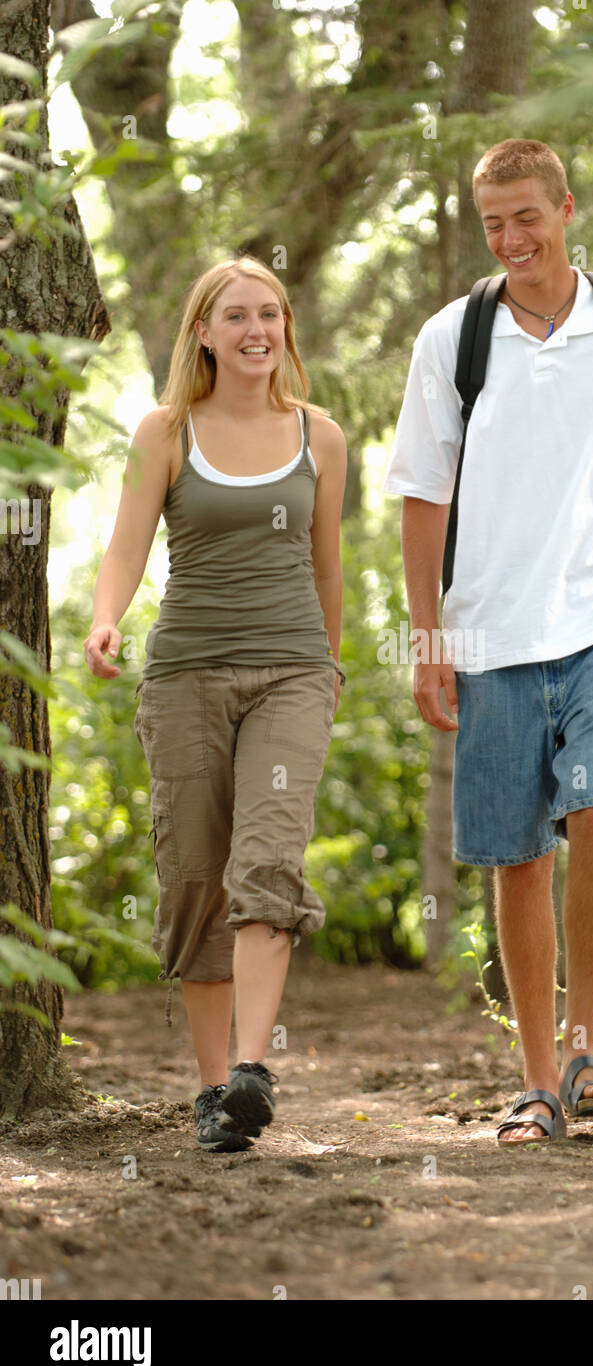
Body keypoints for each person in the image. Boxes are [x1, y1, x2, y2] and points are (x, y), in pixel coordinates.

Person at [385, 138, 593, 1145]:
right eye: (493, 222)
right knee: (516, 855)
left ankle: (586, 1041)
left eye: (526, 215)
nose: (511, 238)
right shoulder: (453, 338)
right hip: (492, 625)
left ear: (566, 208)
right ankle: (536, 1077)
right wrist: (427, 632)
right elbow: (420, 492)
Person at [84, 255, 347, 1153]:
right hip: (186, 672)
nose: (255, 331)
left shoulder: (320, 435)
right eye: (235, 316)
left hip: (290, 672)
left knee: (267, 860)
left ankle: (252, 1068)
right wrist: (104, 620)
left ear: (285, 328)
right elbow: (124, 548)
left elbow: (326, 566)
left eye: (268, 315)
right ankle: (212, 1096)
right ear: (203, 331)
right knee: (195, 876)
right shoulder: (165, 431)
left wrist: (330, 668)